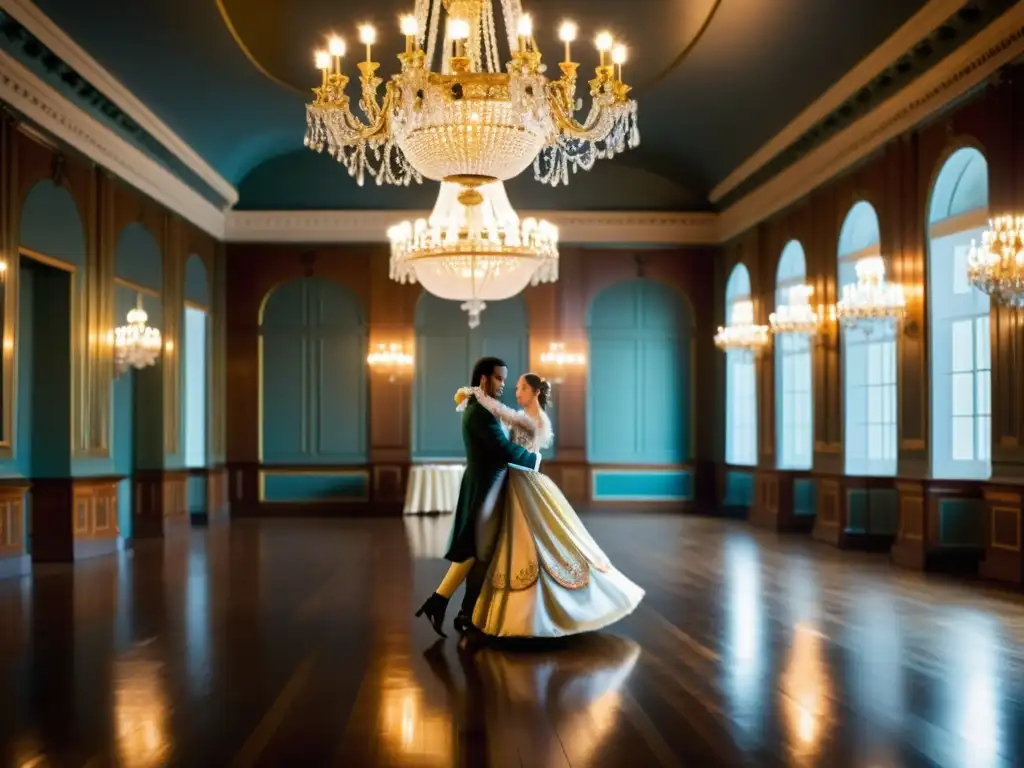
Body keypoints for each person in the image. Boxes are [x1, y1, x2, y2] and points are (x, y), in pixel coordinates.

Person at [455, 373, 645, 638]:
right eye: (517, 387)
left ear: (534, 392)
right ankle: (482, 607)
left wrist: (479, 397)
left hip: (523, 480)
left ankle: (534, 611)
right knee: (501, 543)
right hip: (511, 479)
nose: (516, 391)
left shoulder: (535, 420)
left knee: (532, 543)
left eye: (521, 388)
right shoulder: (525, 416)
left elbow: (511, 431)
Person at [415, 357, 541, 638]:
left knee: (480, 551)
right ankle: (452, 606)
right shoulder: (479, 413)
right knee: (476, 550)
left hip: (491, 484)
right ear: (484, 379)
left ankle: (456, 608)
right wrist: (535, 459)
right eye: (499, 378)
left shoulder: (484, 408)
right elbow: (501, 448)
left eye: (505, 379)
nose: (503, 385)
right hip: (485, 486)